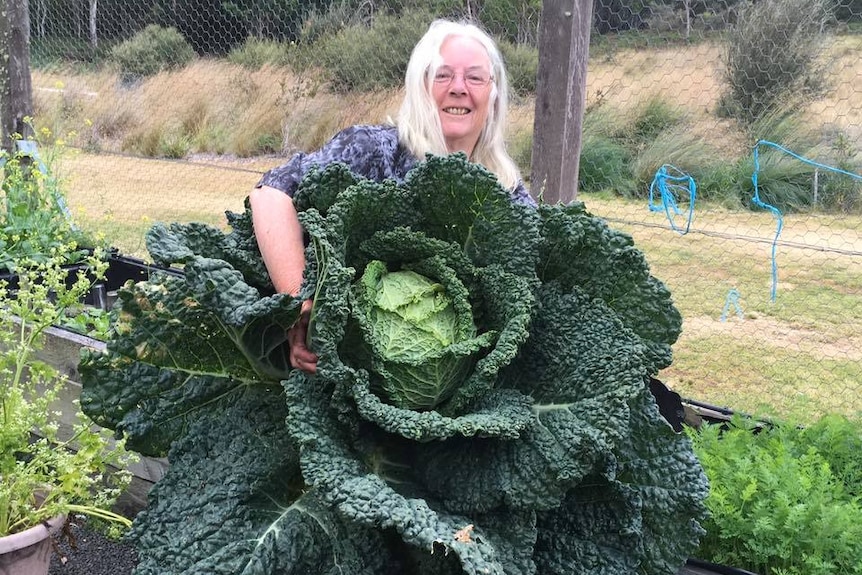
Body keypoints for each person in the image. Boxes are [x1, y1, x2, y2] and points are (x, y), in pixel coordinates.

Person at [249, 18, 534, 374]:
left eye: (475, 77)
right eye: (442, 75)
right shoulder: (374, 152)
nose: (459, 88)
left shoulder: (506, 197)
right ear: (420, 85)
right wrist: (299, 306)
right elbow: (272, 194)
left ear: (493, 95)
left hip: (461, 402)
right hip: (336, 374)